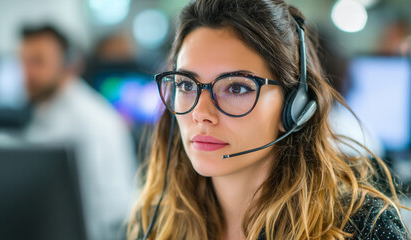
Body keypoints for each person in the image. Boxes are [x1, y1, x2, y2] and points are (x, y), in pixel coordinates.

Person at [127, 0, 411, 239]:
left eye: (236, 88)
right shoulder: (156, 222)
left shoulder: (363, 228)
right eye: (186, 85)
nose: (201, 113)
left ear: (294, 106)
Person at [19, 25, 137, 240]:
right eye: (23, 61)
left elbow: (115, 209)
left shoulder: (92, 121)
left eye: (38, 62)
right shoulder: (45, 109)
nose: (27, 73)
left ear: (68, 65)